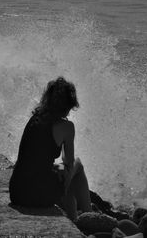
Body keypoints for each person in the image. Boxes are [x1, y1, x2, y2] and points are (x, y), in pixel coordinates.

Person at [9, 76, 92, 221]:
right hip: (38, 196)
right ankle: (90, 216)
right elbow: (69, 162)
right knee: (77, 166)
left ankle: (74, 219)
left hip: (17, 192)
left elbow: (35, 158)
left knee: (60, 172)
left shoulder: (35, 118)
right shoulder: (67, 127)